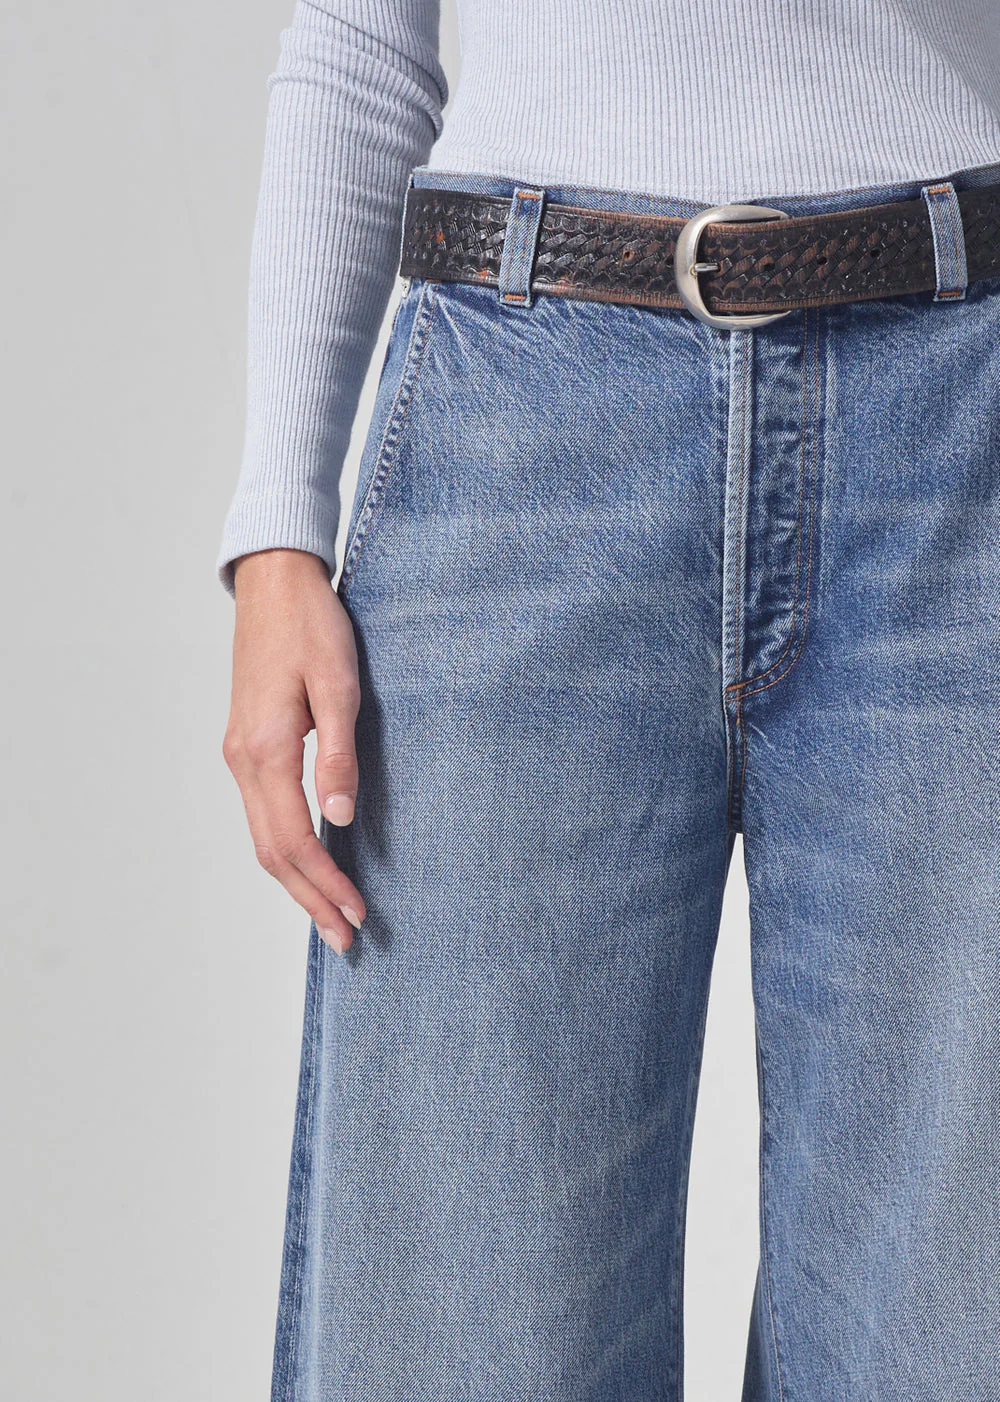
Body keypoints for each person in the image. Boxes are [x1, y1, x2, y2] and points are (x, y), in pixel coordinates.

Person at [218, 3, 1000, 1398]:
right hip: (518, 425)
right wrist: (278, 529)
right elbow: (358, 38)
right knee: (468, 1326)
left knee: (957, 1320)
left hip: (956, 412)